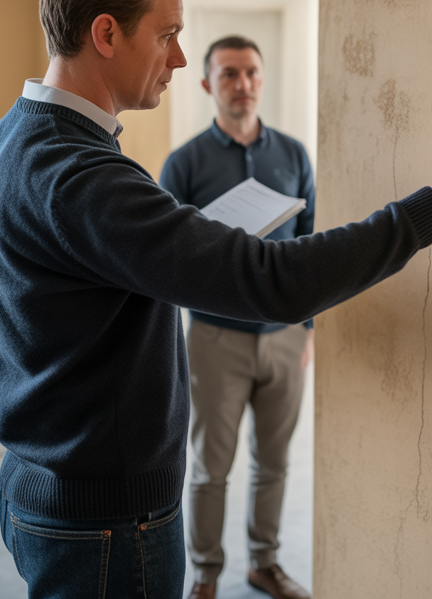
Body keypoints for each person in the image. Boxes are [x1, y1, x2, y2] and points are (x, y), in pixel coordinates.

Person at [0, 0, 432, 599]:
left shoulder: (2, 144)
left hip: (41, 488)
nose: (179, 57)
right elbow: (274, 281)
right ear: (106, 33)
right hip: (106, 520)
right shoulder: (82, 176)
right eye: (167, 35)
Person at [159, 36, 315, 599]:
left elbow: (310, 242)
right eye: (228, 74)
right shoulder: (184, 163)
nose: (242, 84)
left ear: (262, 80)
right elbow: (162, 257)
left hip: (285, 337)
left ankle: (263, 563)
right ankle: (205, 574)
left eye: (250, 72)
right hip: (215, 337)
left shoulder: (294, 154)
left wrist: (308, 329)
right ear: (207, 84)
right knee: (210, 467)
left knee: (274, 462)